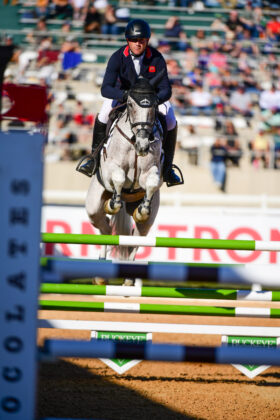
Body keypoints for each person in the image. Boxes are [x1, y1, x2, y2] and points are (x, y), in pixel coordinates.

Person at [78, 18, 182, 186]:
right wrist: (125, 96)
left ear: (147, 40)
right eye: (134, 40)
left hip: (150, 101)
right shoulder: (117, 57)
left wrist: (154, 101)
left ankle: (168, 168)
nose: (138, 44)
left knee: (170, 120)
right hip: (123, 98)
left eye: (141, 40)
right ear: (128, 40)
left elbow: (166, 89)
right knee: (103, 114)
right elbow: (106, 88)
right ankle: (93, 159)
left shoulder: (156, 57)